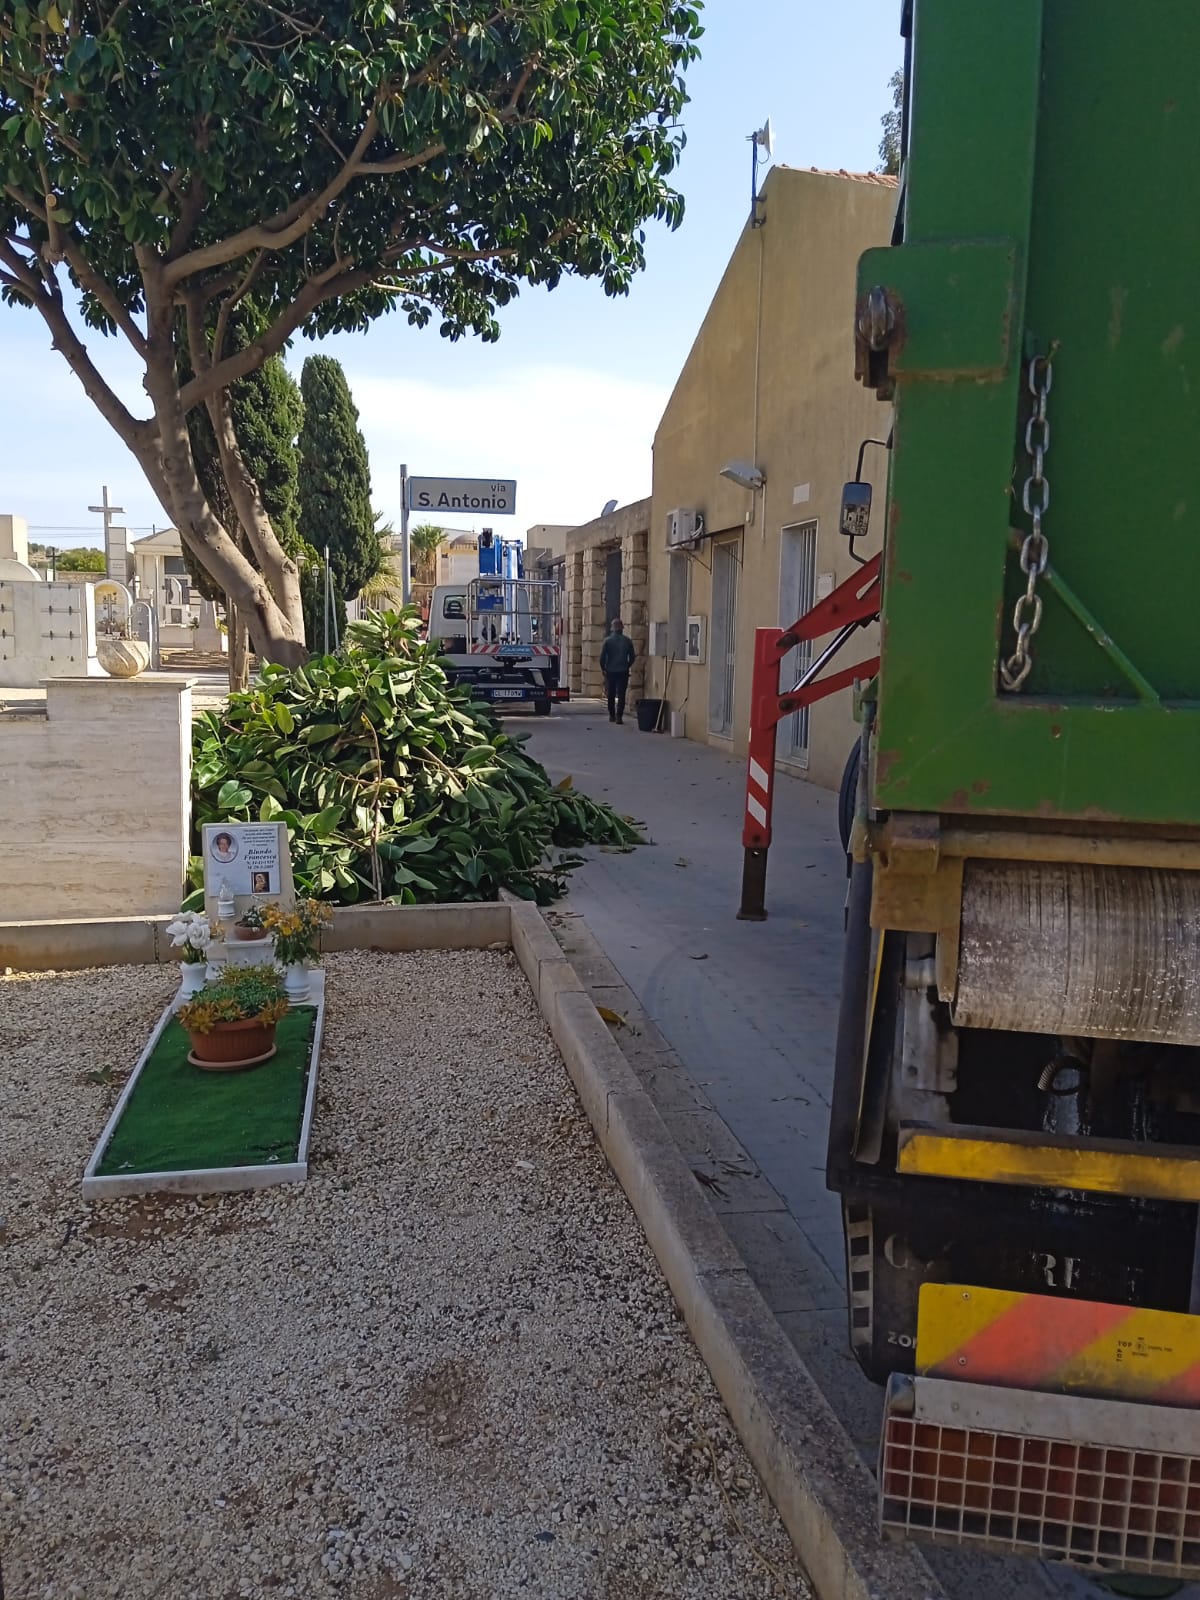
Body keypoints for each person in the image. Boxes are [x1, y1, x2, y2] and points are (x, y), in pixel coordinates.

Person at [599, 617, 636, 724]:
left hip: (610, 670)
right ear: (622, 628)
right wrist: (627, 665)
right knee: (621, 694)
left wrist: (603, 668)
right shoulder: (627, 641)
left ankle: (611, 715)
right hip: (623, 671)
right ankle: (619, 716)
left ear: (612, 629)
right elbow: (632, 657)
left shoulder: (607, 641)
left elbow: (602, 657)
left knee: (611, 693)